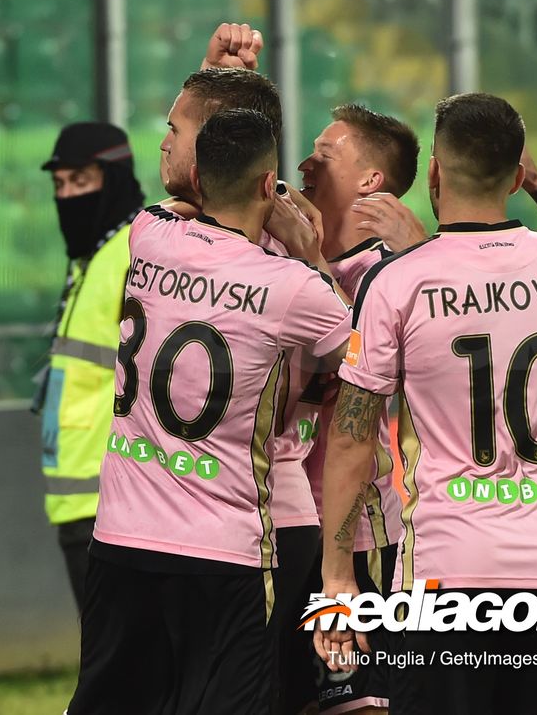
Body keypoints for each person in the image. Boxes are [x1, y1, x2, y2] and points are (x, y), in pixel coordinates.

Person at [315, 92, 537, 715]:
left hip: (443, 570)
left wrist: (338, 576)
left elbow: (351, 437)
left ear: (433, 172)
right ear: (516, 177)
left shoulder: (399, 281)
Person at [67, 109, 351, 715]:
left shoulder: (148, 233)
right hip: (223, 551)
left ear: (198, 176)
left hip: (120, 540)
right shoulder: (293, 287)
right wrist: (312, 254)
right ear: (269, 185)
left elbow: (170, 201)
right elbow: (359, 357)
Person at [282, 103, 422, 715]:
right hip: (281, 520)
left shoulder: (387, 276)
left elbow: (357, 358)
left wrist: (311, 264)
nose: (304, 164)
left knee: (357, 703)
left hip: (357, 532)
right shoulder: (281, 257)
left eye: (325, 154)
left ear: (371, 180)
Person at [35, 121, 144, 612]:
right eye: (60, 185)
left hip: (112, 502)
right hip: (78, 501)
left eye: (81, 181)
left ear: (113, 179)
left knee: (121, 654)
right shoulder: (93, 258)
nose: (67, 197)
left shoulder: (132, 253)